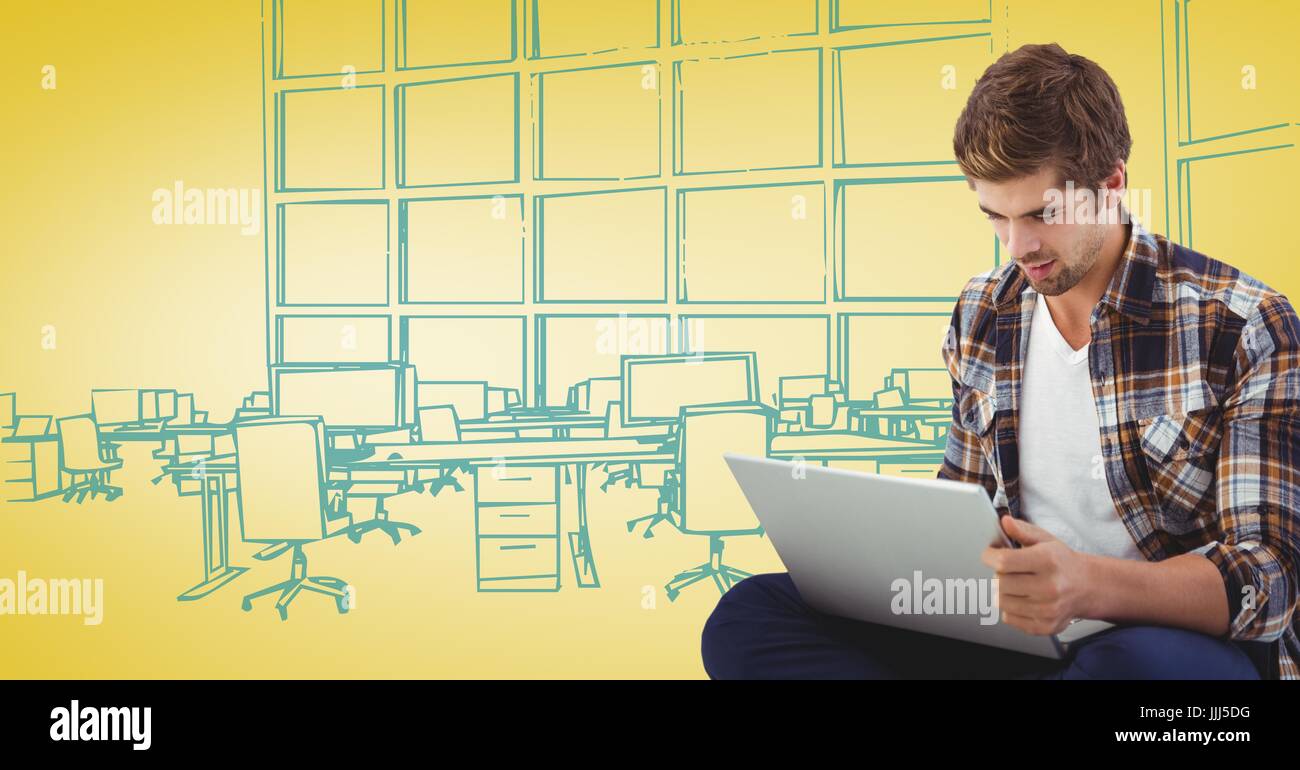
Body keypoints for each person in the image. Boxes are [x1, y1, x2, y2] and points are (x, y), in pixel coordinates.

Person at [701, 43, 1299, 680]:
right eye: (996, 216)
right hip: (1012, 634)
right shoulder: (983, 311)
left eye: (1043, 214)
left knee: (1130, 668)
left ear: (1112, 184)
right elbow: (959, 508)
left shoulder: (1242, 324)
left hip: (1163, 645)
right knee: (748, 616)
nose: (1020, 247)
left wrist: (1088, 585)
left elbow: (1270, 579)